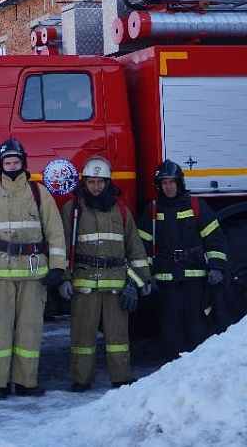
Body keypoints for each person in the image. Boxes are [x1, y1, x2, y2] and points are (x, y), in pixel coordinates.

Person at [0, 139, 66, 400]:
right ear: (1, 165)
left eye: (16, 162)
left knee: (30, 329)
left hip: (34, 273)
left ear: (23, 163)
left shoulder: (38, 193)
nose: (12, 166)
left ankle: (26, 382)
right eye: (7, 162)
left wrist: (57, 267)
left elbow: (55, 232)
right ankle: (1, 384)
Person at [58, 157, 151, 392]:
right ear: (84, 183)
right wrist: (63, 279)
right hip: (83, 282)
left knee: (118, 336)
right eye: (92, 181)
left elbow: (134, 244)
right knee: (82, 337)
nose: (96, 186)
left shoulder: (120, 208)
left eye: (101, 181)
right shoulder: (73, 209)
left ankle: (121, 377)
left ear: (108, 183)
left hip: (116, 283)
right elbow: (60, 246)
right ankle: (81, 379)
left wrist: (143, 277)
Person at [137, 160, 228, 361]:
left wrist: (216, 267)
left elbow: (215, 239)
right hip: (167, 286)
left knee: (199, 334)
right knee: (172, 337)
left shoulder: (196, 206)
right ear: (158, 185)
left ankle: (201, 376)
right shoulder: (151, 211)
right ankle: (175, 382)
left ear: (180, 183)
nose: (168, 187)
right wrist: (147, 275)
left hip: (196, 285)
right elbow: (141, 249)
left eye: (172, 182)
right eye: (164, 183)